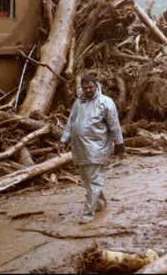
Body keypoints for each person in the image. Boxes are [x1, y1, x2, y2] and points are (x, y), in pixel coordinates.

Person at [59, 76, 124, 224]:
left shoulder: (106, 102)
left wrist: (119, 145)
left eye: (91, 87)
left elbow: (114, 125)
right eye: (85, 88)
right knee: (87, 179)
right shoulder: (78, 103)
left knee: (93, 180)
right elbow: (70, 122)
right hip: (80, 148)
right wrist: (64, 140)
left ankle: (87, 213)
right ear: (81, 88)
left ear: (97, 86)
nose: (88, 90)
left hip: (97, 147)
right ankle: (100, 203)